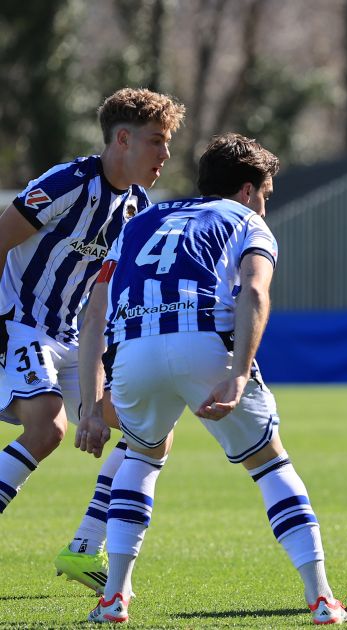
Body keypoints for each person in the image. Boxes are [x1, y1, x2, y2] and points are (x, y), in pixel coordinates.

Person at [74, 133, 347, 624]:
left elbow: (94, 314)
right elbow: (255, 293)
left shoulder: (141, 220)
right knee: (270, 465)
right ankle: (322, 598)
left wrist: (93, 405)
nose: (264, 206)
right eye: (265, 195)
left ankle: (114, 597)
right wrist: (240, 373)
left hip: (133, 349)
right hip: (204, 336)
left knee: (141, 455)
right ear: (247, 191)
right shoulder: (246, 221)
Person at [0, 88, 185, 594]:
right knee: (46, 429)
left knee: (148, 428)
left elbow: (113, 295)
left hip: (75, 338)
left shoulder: (139, 208)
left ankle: (84, 546)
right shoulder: (65, 183)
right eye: (157, 142)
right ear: (122, 139)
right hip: (19, 322)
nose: (165, 155)